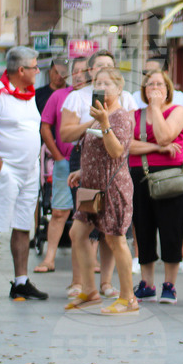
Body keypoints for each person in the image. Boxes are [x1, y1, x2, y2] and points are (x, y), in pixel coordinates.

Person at [0, 46, 48, 301]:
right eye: (35, 67)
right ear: (21, 70)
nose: (38, 71)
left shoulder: (27, 94)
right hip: (5, 170)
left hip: (28, 171)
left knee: (23, 224)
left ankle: (21, 280)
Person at [60, 49, 138, 296]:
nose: (101, 87)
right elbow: (96, 151)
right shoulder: (97, 112)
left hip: (112, 187)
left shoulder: (119, 116)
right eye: (98, 82)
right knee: (77, 233)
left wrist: (104, 123)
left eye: (107, 83)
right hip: (91, 186)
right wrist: (82, 170)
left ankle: (127, 298)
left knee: (115, 240)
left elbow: (116, 152)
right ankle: (89, 290)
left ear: (119, 90)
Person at [128, 70, 183, 305]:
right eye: (150, 84)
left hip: (170, 178)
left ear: (168, 89)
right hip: (140, 177)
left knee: (171, 230)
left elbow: (165, 136)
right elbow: (127, 146)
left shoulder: (177, 112)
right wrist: (156, 149)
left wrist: (155, 108)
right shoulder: (134, 115)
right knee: (142, 230)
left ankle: (169, 285)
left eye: (159, 84)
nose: (154, 88)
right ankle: (147, 284)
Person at [35, 57, 89, 273]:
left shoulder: (94, 95)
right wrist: (57, 156)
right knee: (59, 211)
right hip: (64, 162)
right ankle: (49, 258)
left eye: (82, 71)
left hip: (89, 163)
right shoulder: (59, 96)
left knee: (88, 212)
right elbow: (45, 127)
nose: (77, 75)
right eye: (74, 71)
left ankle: (90, 261)